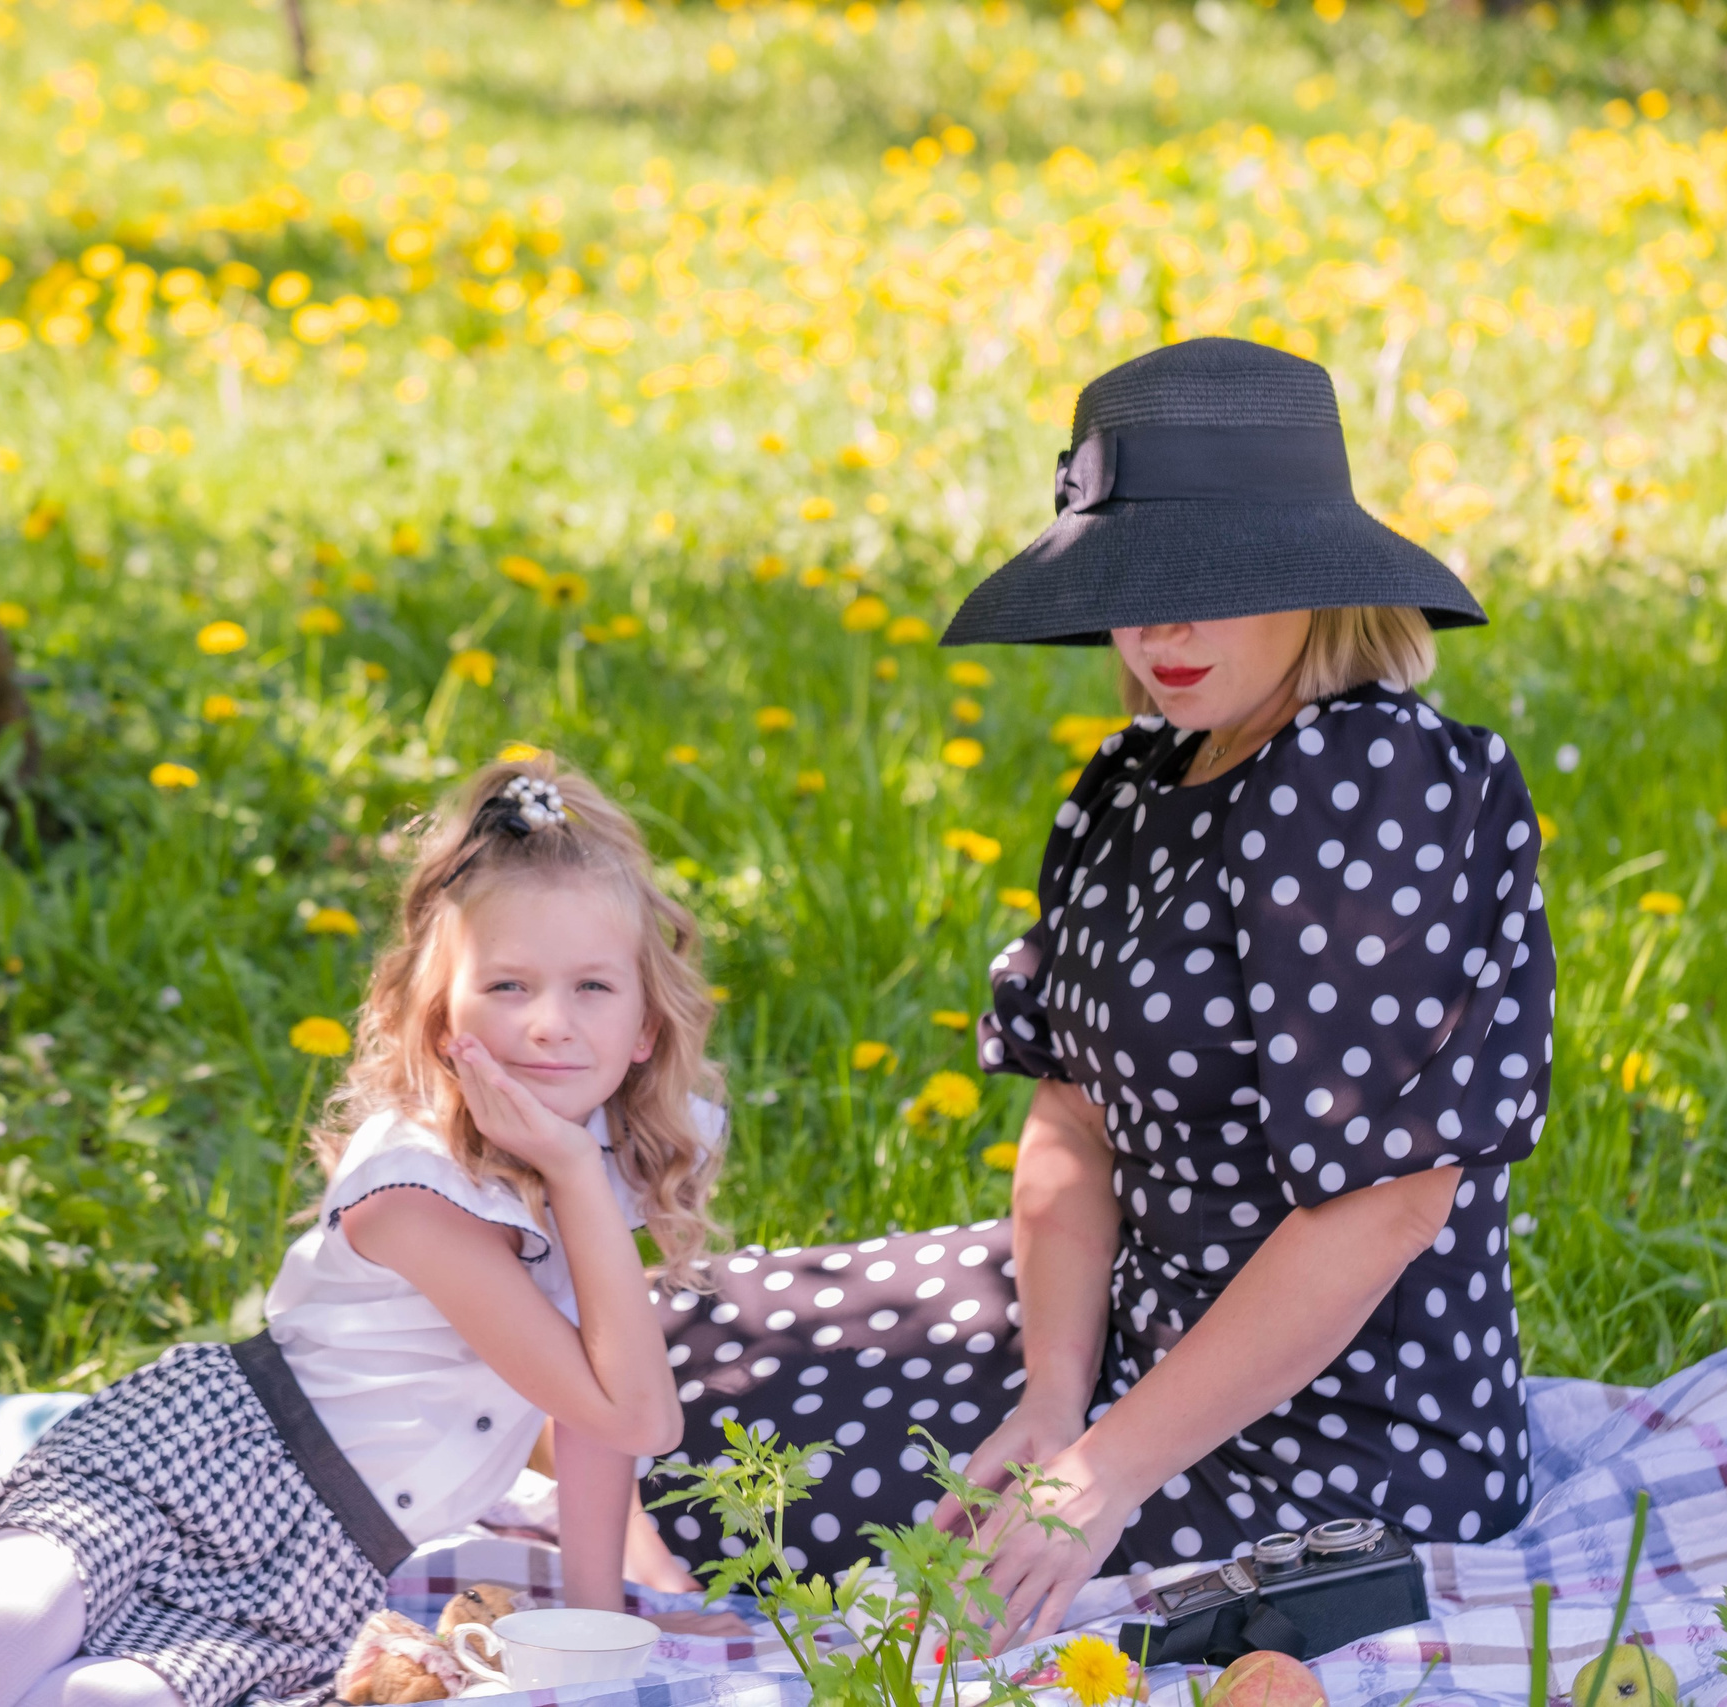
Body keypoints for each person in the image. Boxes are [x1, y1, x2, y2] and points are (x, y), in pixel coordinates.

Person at [652, 337, 1555, 1644]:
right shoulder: (1138, 778)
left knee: (718, 1490)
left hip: (1335, 1432)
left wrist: (1103, 1470)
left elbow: (1388, 1202)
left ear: (1315, 580)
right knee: (654, 1351)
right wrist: (1051, 1397)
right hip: (1123, 1335)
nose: (1158, 630)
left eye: (1207, 586)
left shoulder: (1373, 783)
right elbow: (1072, 1115)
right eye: (1132, 586)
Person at [0, 759, 721, 1707]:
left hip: (321, 1563)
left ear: (643, 1028)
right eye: (506, 987)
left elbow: (595, 1418)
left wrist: (603, 1622)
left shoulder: (587, 1164)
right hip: (191, 1462)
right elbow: (631, 1411)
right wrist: (574, 1172)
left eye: (591, 989)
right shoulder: (416, 1186)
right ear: (437, 1016)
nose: (549, 1025)